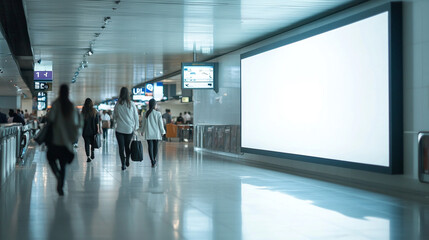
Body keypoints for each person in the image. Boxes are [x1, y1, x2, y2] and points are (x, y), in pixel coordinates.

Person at [46, 84, 81, 196]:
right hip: (66, 142)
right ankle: (61, 186)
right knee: (63, 164)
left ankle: (58, 175)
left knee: (51, 159)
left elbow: (50, 119)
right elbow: (77, 124)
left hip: (56, 140)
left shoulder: (56, 104)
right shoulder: (71, 106)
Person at [113, 87, 139, 170]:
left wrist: (116, 121)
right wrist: (135, 128)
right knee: (127, 146)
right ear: (128, 94)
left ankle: (123, 163)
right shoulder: (132, 104)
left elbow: (114, 116)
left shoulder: (117, 104)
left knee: (121, 147)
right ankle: (127, 159)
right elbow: (136, 117)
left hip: (119, 129)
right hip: (129, 130)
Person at [141, 99, 165, 168]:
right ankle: (154, 159)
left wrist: (142, 131)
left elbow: (144, 124)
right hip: (156, 133)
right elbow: (160, 124)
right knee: (155, 147)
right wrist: (162, 131)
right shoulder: (158, 113)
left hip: (149, 133)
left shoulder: (146, 113)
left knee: (150, 147)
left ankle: (152, 160)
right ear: (155, 105)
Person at [81, 98, 100, 162]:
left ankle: (88, 157)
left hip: (85, 131)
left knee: (86, 143)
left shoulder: (83, 111)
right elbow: (97, 122)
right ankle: (92, 152)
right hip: (93, 130)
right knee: (92, 142)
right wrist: (98, 129)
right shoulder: (94, 111)